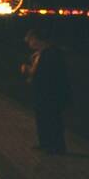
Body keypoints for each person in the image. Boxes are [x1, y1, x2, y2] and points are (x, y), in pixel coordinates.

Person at [21, 24, 70, 154]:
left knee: (52, 120)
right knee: (42, 118)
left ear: (37, 39)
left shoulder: (52, 53)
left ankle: (56, 146)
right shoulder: (40, 54)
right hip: (42, 93)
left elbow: (49, 74)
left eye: (31, 40)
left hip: (51, 94)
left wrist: (29, 70)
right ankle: (45, 143)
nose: (29, 43)